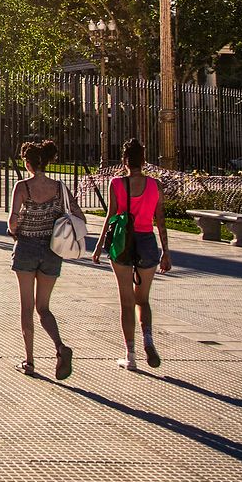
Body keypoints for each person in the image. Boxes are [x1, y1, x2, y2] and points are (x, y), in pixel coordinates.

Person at [92, 137, 172, 371]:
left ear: (125, 160)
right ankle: (148, 338)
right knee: (143, 300)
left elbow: (111, 216)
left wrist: (98, 246)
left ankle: (131, 355)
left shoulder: (117, 184)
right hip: (147, 242)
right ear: (144, 160)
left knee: (126, 302)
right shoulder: (155, 185)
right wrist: (166, 252)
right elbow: (161, 220)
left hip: (122, 242)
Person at [6, 139, 81, 379]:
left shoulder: (22, 187)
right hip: (52, 251)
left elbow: (12, 221)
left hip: (27, 247)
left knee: (26, 308)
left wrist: (15, 230)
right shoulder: (60, 188)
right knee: (44, 308)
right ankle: (60, 347)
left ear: (27, 163)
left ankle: (29, 360)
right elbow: (78, 215)